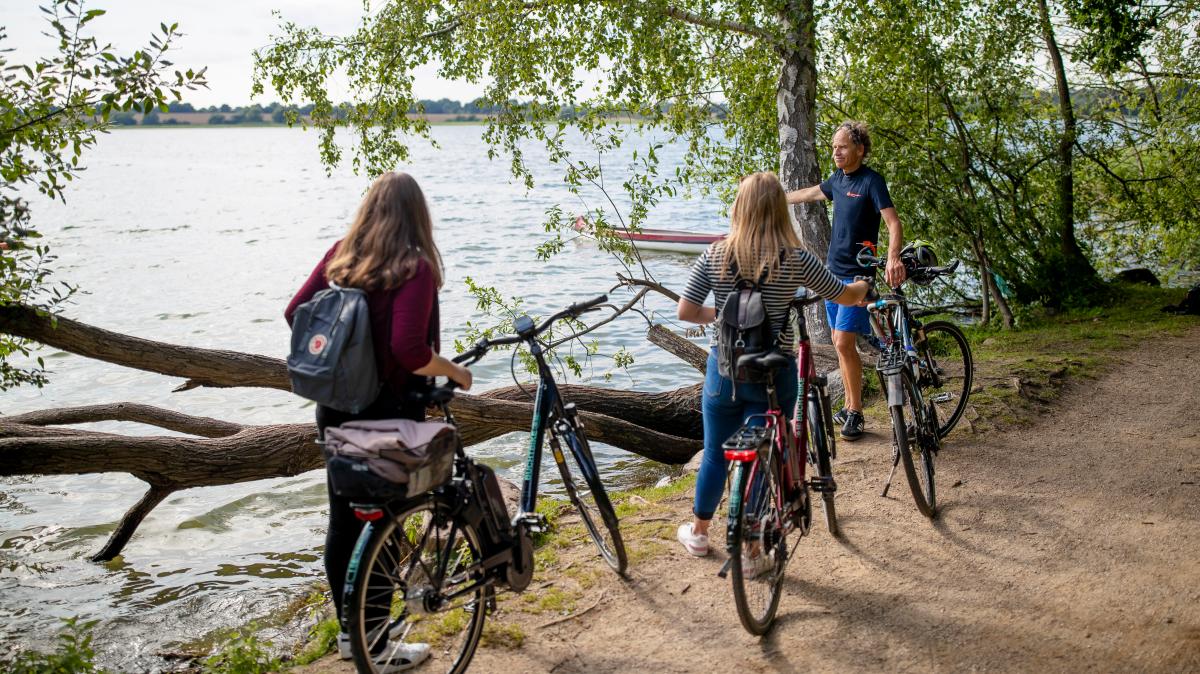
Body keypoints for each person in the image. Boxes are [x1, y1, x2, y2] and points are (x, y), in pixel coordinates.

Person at [285, 171, 471, 672]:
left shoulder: (340, 256)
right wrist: (455, 371)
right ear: (417, 215)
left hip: (335, 409)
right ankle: (378, 646)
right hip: (388, 413)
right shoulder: (414, 267)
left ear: (369, 209)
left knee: (344, 522)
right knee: (388, 524)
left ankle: (354, 637)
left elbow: (295, 313)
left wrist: (338, 359)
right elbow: (409, 351)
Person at [675, 171, 871, 558]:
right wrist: (863, 285)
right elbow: (844, 296)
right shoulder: (795, 259)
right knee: (766, 450)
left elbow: (686, 311)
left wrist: (724, 315)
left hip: (724, 372)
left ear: (739, 208)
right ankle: (751, 549)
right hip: (773, 374)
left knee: (714, 453)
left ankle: (698, 533)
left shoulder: (715, 254)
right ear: (780, 210)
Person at [786, 121, 905, 441]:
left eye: (842, 146)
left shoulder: (871, 181)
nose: (836, 152)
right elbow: (811, 193)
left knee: (841, 342)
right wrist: (776, 197)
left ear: (860, 149)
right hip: (832, 274)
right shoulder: (838, 179)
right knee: (842, 344)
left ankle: (856, 413)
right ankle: (851, 404)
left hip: (858, 276)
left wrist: (893, 257)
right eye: (834, 147)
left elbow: (893, 223)